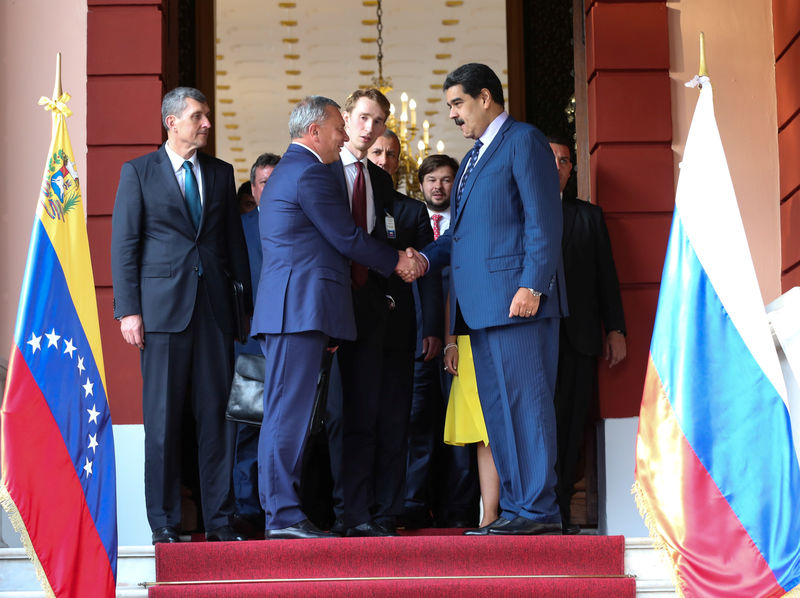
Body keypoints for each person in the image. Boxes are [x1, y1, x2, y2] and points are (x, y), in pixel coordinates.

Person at [250, 95, 422, 540]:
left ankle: (282, 512)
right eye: (337, 128)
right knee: (288, 415)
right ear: (314, 132)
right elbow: (346, 237)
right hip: (298, 309)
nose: (345, 136)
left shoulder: (296, 171)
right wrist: (397, 261)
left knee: (288, 413)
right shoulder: (309, 172)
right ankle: (283, 516)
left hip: (303, 310)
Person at [419, 63, 567, 536]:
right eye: (450, 109)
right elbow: (462, 239)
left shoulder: (523, 140)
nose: (454, 117)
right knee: (500, 411)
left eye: (458, 104)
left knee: (527, 406)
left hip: (518, 302)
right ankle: (520, 508)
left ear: (486, 97)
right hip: (481, 310)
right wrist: (421, 259)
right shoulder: (468, 162)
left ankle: (539, 510)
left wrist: (533, 284)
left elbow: (544, 219)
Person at [110, 86, 251, 544]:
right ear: (171, 121)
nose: (206, 123)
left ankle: (220, 520)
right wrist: (128, 310)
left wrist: (243, 312)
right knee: (164, 423)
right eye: (197, 116)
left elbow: (234, 249)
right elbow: (125, 246)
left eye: (206, 115)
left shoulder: (221, 172)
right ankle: (166, 523)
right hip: (161, 316)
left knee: (218, 421)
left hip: (213, 314)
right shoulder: (139, 172)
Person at [324, 89, 414, 537]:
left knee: (363, 415)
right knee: (325, 416)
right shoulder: (319, 168)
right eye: (362, 118)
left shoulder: (379, 181)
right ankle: (314, 512)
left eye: (377, 121)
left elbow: (380, 240)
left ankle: (356, 514)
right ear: (345, 117)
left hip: (368, 309)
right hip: (322, 308)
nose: (368, 128)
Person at [366, 129, 444, 532]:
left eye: (392, 154)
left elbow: (428, 274)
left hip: (403, 331)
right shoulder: (350, 200)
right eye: (377, 152)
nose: (383, 159)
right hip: (357, 329)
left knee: (404, 420)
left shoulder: (412, 211)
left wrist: (432, 328)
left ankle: (396, 507)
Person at [548, 136, 626, 533]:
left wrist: (615, 328)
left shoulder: (589, 216)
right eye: (550, 159)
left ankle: (561, 514)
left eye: (564, 161)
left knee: (571, 424)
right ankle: (529, 509)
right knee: (535, 424)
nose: (557, 166)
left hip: (578, 337)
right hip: (532, 340)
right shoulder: (518, 212)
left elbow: (606, 277)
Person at [403, 154, 480, 528]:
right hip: (417, 341)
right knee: (418, 425)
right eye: (431, 179)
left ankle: (459, 510)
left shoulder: (465, 224)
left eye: (447, 179)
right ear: (420, 184)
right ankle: (414, 505)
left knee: (462, 426)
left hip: (461, 339)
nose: (438, 186)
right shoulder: (410, 224)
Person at [231, 152, 280, 537]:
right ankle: (248, 511)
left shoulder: (305, 223)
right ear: (253, 188)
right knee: (249, 428)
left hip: (294, 341)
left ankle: (287, 507)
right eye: (264, 182)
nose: (271, 188)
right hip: (248, 341)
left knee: (293, 429)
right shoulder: (238, 226)